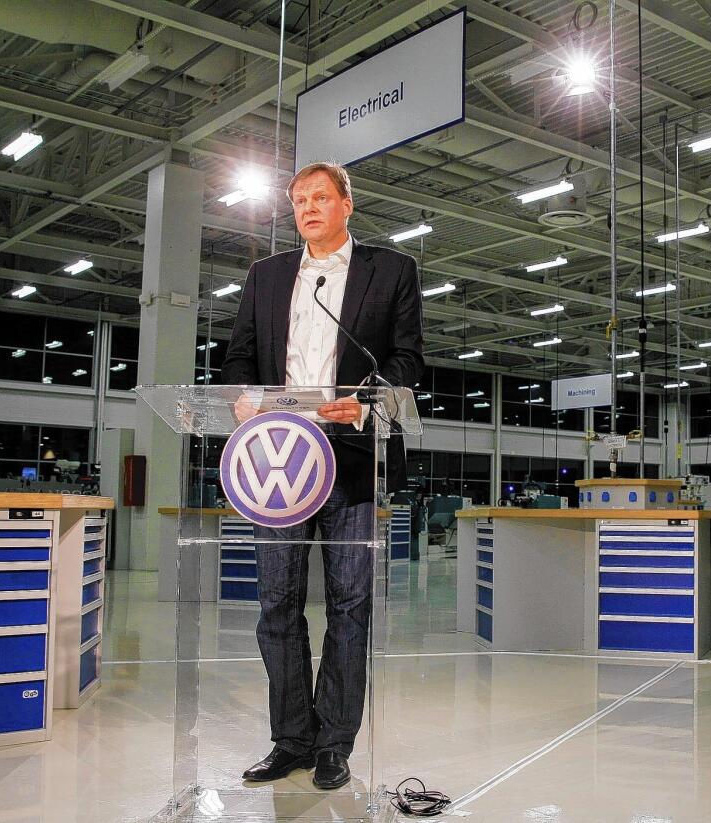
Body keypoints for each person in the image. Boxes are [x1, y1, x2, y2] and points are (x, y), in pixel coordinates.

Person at [221, 160, 423, 789]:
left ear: (346, 204)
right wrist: (241, 399)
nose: (307, 208)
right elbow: (238, 356)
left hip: (350, 459)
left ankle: (335, 742)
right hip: (276, 461)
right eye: (298, 200)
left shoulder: (391, 271)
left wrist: (368, 401)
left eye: (319, 197)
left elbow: (407, 357)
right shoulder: (267, 275)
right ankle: (291, 739)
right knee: (276, 605)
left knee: (350, 605)